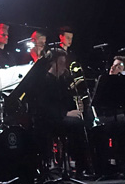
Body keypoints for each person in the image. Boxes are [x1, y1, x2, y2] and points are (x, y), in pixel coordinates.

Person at [31, 49, 90, 177]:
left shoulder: (62, 80)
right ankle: (81, 166)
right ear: (53, 63)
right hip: (49, 119)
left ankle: (85, 164)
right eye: (62, 63)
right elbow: (44, 106)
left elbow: (67, 100)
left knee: (84, 120)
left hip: (60, 115)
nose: (65, 66)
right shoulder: (44, 81)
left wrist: (76, 107)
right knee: (76, 124)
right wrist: (65, 113)